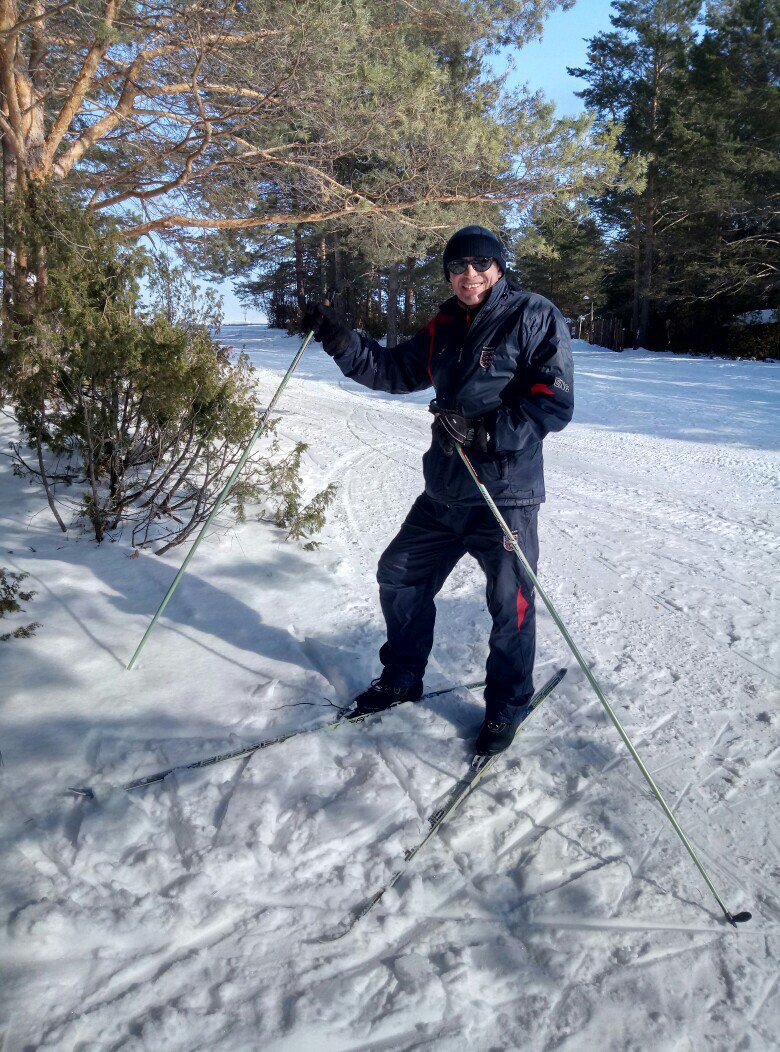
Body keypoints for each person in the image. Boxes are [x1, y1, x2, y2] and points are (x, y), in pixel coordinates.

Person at [302, 225, 574, 754]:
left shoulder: (533, 314)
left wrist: (487, 432)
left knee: (510, 603)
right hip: (446, 490)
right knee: (399, 575)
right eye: (457, 266)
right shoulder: (445, 324)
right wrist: (341, 340)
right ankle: (402, 677)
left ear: (498, 267)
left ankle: (507, 704)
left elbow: (553, 400)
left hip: (504, 494)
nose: (468, 275)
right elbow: (392, 369)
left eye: (479, 264)